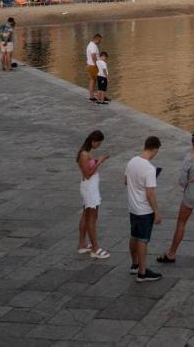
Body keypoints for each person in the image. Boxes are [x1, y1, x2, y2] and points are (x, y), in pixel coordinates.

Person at [157, 132, 194, 264]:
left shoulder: (189, 158)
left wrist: (184, 187)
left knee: (181, 223)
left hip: (192, 191)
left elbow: (182, 180)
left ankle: (171, 253)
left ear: (193, 143)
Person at [124, 136, 163, 282]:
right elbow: (150, 193)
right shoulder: (150, 169)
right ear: (154, 149)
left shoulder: (132, 161)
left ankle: (134, 264)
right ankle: (142, 272)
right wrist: (157, 212)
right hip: (144, 211)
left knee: (134, 235)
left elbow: (125, 181)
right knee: (143, 240)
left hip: (132, 208)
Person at [76, 130, 111, 259]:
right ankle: (95, 248)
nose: (99, 146)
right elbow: (88, 173)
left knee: (86, 214)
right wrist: (99, 161)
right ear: (93, 141)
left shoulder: (85, 152)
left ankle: (82, 244)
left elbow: (89, 168)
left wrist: (97, 160)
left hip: (90, 187)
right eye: (99, 143)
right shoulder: (84, 154)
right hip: (89, 189)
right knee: (92, 217)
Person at [85, 33, 102, 102]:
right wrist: (97, 64)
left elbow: (89, 56)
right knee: (99, 81)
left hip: (90, 65)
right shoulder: (93, 46)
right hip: (93, 66)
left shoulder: (90, 45)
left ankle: (92, 97)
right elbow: (93, 56)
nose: (100, 42)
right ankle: (99, 97)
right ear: (96, 39)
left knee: (93, 81)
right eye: (100, 41)